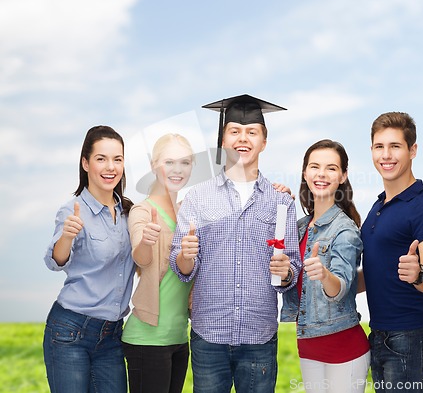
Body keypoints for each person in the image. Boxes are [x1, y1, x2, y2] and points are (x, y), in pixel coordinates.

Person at [169, 94, 302, 393]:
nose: (243, 138)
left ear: (264, 141)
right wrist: (186, 257)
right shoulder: (198, 197)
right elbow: (181, 265)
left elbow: (291, 267)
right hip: (209, 336)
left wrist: (287, 272)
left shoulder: (280, 202)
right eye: (235, 131)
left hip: (259, 336)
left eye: (252, 132)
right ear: (223, 139)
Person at [359, 112, 423, 393]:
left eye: (395, 146)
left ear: (412, 150)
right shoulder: (378, 206)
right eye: (379, 147)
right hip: (380, 333)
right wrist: (335, 284)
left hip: (410, 334)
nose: (386, 155)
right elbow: (378, 272)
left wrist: (419, 273)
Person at [43, 125, 135, 393]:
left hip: (112, 336)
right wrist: (67, 237)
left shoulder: (128, 211)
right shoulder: (73, 211)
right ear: (85, 163)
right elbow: (56, 261)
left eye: (117, 159)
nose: (110, 167)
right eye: (101, 158)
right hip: (70, 331)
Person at [281, 139, 370, 393]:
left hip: (343, 346)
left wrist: (324, 274)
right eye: (314, 166)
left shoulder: (345, 229)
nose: (321, 174)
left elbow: (340, 287)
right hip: (308, 344)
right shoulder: (298, 227)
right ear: (305, 173)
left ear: (343, 176)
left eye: (331, 168)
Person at [121, 133, 195, 393]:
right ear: (154, 164)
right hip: (147, 339)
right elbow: (140, 257)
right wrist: (146, 242)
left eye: (185, 163)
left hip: (178, 337)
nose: (178, 170)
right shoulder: (143, 211)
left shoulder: (190, 211)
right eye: (170, 162)